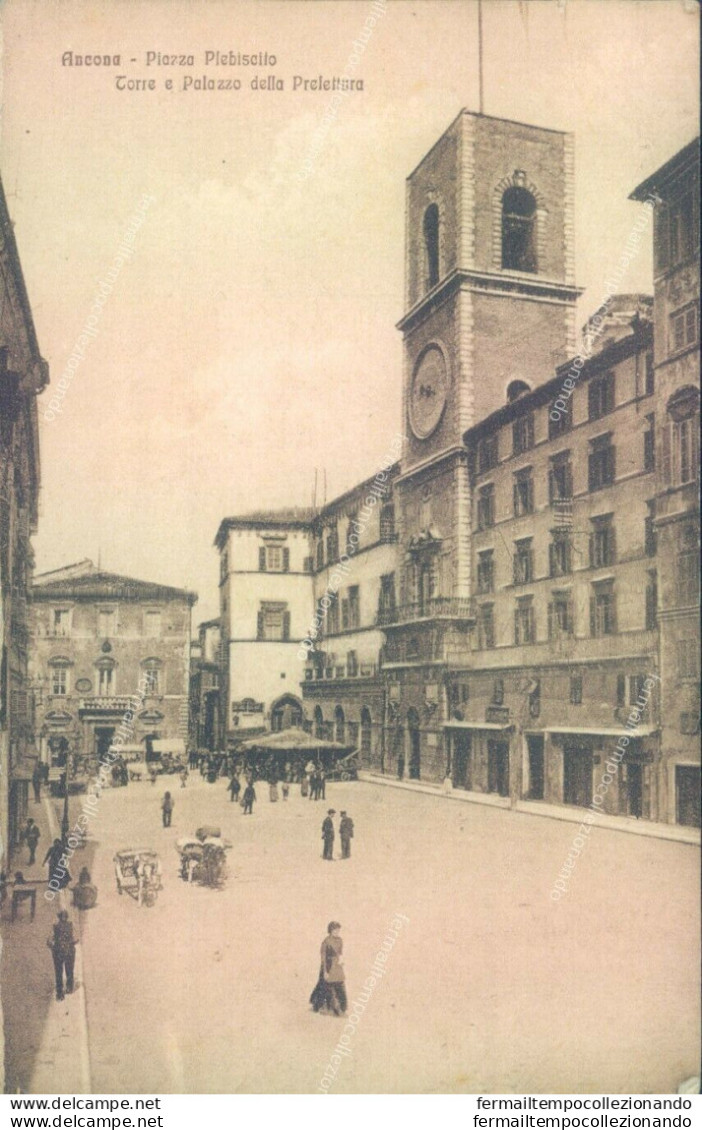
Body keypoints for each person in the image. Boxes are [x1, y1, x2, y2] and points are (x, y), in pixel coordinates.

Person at [310, 922, 346, 1016]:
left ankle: (341, 1007)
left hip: (337, 965)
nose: (337, 932)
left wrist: (341, 961)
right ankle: (326, 1007)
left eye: (338, 930)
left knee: (339, 983)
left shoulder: (340, 940)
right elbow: (323, 956)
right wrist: (325, 971)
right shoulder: (326, 941)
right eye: (335, 930)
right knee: (325, 985)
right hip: (328, 966)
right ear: (330, 930)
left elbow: (340, 953)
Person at [47, 910, 78, 1001]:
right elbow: (76, 939)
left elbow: (49, 941)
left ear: (59, 917)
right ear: (67, 917)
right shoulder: (71, 925)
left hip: (58, 952)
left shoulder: (54, 926)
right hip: (69, 952)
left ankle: (60, 994)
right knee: (69, 970)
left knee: (58, 973)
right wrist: (70, 943)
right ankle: (69, 987)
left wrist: (53, 947)